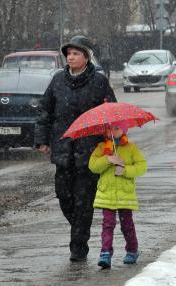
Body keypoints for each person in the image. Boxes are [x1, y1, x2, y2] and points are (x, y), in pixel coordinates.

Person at [35, 35, 117, 262]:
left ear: (87, 56)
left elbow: (111, 112)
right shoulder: (57, 80)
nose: (70, 57)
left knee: (83, 200)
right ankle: (80, 229)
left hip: (90, 151)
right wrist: (42, 139)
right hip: (63, 149)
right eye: (68, 54)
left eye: (75, 53)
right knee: (64, 198)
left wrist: (110, 139)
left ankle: (78, 247)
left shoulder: (99, 82)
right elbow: (44, 111)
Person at [88, 122, 147, 268]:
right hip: (107, 193)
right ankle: (105, 252)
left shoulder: (131, 148)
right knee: (108, 225)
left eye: (117, 128)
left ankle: (132, 250)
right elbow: (93, 166)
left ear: (124, 130)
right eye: (109, 128)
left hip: (124, 194)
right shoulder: (102, 148)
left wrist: (125, 170)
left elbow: (142, 167)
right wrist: (108, 159)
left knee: (127, 225)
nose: (112, 131)